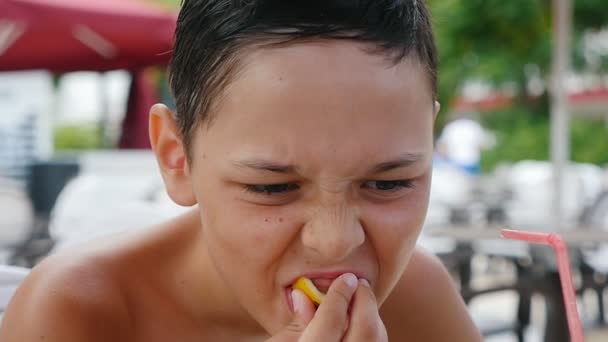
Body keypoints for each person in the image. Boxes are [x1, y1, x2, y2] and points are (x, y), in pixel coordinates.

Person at [0, 1, 482, 341]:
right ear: (176, 156)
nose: (334, 243)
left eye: (389, 182)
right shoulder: (75, 312)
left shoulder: (417, 296)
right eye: (272, 187)